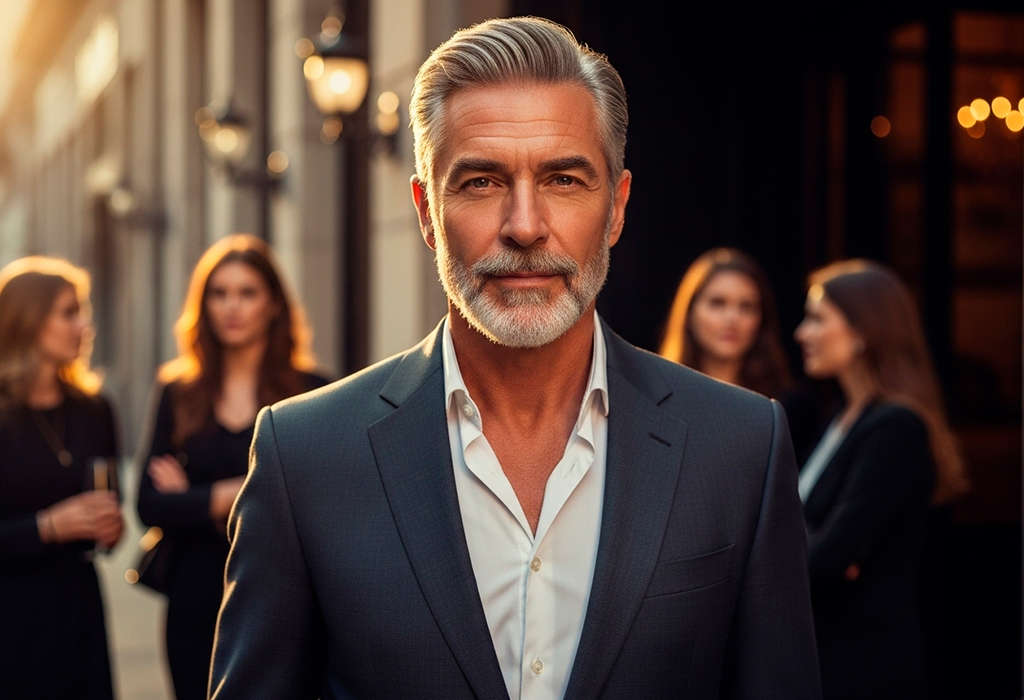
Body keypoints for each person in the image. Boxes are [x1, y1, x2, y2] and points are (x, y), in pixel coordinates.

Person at [209, 18, 821, 699]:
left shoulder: (740, 446)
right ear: (425, 211)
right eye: (480, 182)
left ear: (615, 208)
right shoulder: (305, 456)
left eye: (563, 179)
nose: (525, 226)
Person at [135, 234, 328, 700]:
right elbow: (149, 503)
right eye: (219, 293)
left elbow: (320, 499)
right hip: (193, 593)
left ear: (274, 305)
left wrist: (199, 498)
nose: (231, 307)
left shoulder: (312, 391)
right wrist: (249, 492)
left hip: (281, 593)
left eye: (247, 293)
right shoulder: (177, 391)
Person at [794, 259, 968, 700]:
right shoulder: (839, 417)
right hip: (829, 652)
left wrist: (818, 547)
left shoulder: (896, 426)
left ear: (861, 331)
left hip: (865, 662)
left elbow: (827, 560)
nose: (802, 333)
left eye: (817, 319)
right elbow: (816, 544)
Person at [0, 256, 124, 699]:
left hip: (78, 611)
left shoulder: (95, 410)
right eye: (69, 312)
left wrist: (110, 528)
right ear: (28, 320)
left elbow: (112, 504)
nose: (84, 325)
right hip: (10, 617)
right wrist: (48, 526)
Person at [658, 248, 816, 456]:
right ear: (689, 313)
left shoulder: (787, 409)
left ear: (762, 319)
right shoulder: (654, 399)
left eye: (747, 306)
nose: (732, 318)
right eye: (717, 303)